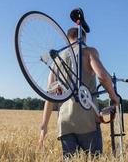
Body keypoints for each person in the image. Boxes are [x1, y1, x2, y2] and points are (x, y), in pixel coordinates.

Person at [38, 27, 120, 159]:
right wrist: (114, 96)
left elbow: (50, 96)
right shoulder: (89, 51)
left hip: (65, 124)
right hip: (87, 121)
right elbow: (102, 76)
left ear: (67, 38)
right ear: (84, 37)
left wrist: (44, 126)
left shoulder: (57, 60)